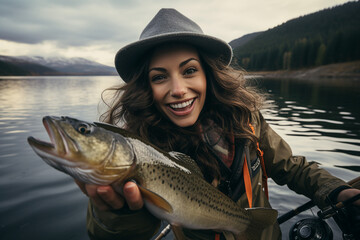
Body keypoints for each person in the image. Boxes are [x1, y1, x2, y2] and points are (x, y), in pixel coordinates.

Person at [75, 8, 360, 240]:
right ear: (146, 87)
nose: (178, 89)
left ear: (208, 75)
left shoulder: (246, 120)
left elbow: (293, 167)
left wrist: (335, 190)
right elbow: (117, 235)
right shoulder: (138, 148)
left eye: (189, 71)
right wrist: (118, 214)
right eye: (159, 77)